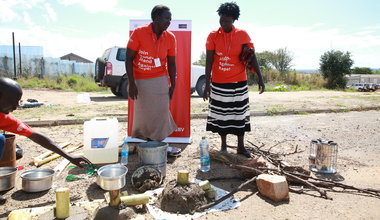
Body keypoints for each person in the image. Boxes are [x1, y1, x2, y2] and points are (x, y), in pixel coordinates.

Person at [203, 2, 265, 158]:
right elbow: (209, 61)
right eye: (222, 20)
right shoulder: (212, 36)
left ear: (234, 20)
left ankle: (240, 146)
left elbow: (253, 57)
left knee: (239, 114)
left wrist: (260, 77)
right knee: (222, 115)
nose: (224, 24)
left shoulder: (242, 35)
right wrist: (207, 84)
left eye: (228, 21)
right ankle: (223, 146)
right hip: (219, 82)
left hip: (238, 82)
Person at [0, 77, 91, 167]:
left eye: (18, 102)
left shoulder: (4, 118)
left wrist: (69, 156)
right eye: (13, 101)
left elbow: (34, 135)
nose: (16, 106)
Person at [125, 4, 177, 141]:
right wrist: (132, 83)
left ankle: (157, 142)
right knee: (144, 112)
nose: (169, 22)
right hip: (140, 78)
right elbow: (128, 58)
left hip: (160, 78)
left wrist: (173, 84)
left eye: (170, 19)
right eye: (166, 18)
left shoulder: (171, 37)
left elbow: (171, 63)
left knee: (161, 111)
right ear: (156, 17)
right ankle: (145, 141)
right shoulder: (139, 33)